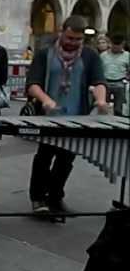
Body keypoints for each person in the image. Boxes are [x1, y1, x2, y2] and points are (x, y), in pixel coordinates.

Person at [25, 15, 109, 214]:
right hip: (48, 118)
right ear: (62, 32)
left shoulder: (90, 56)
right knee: (44, 158)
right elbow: (32, 84)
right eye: (70, 38)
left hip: (76, 118)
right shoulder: (45, 54)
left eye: (78, 40)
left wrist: (101, 100)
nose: (73, 43)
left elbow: (99, 82)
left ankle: (55, 197)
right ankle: (38, 198)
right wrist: (45, 99)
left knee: (65, 161)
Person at [100, 37, 130, 116]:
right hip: (105, 82)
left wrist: (127, 78)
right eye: (114, 45)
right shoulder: (103, 55)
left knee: (118, 109)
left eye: (119, 45)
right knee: (102, 107)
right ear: (111, 44)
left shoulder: (127, 55)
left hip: (120, 82)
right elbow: (98, 69)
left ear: (123, 45)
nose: (116, 47)